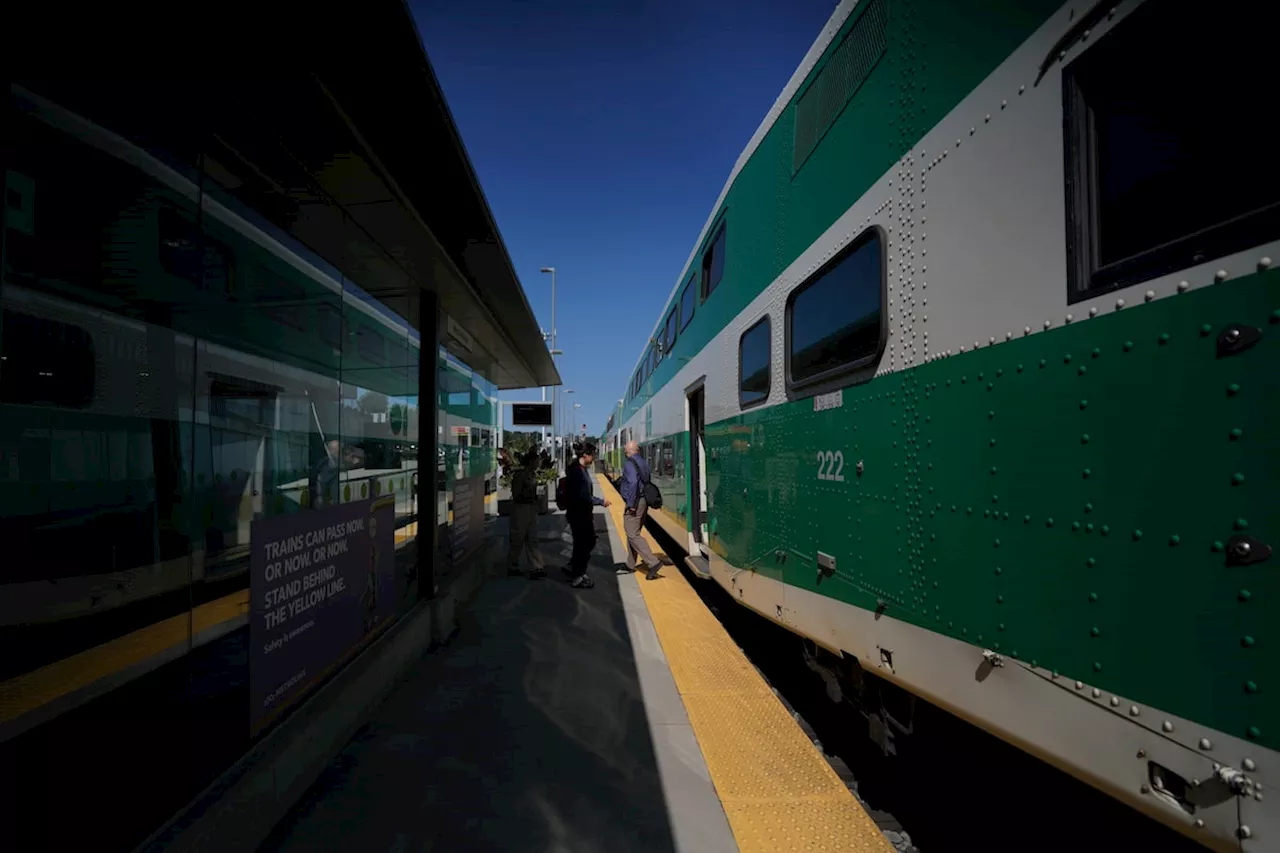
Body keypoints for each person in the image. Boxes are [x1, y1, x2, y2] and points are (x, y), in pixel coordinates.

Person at [562, 442, 609, 588]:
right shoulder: (578, 472)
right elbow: (584, 496)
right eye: (593, 454)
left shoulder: (579, 469)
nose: (594, 458)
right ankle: (578, 575)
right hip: (580, 513)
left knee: (582, 543)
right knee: (585, 543)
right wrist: (600, 501)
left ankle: (575, 568)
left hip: (579, 513)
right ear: (585, 455)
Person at [619, 440, 662, 580]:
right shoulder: (643, 462)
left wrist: (631, 504)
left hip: (636, 502)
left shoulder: (629, 463)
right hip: (643, 501)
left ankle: (653, 562)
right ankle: (630, 564)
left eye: (625, 450)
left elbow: (633, 483)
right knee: (633, 532)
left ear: (630, 451)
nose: (625, 453)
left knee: (632, 534)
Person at [506, 448, 546, 580]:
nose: (538, 463)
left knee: (533, 538)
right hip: (521, 509)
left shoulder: (533, 475)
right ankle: (512, 565)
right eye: (537, 460)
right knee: (518, 538)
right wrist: (531, 496)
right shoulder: (520, 475)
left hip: (531, 509)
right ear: (531, 461)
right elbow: (516, 494)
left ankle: (536, 567)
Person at [309, 439, 342, 509]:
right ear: (329, 450)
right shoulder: (323, 463)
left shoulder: (341, 462)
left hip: (334, 500)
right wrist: (319, 496)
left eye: (337, 449)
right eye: (334, 449)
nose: (337, 451)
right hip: (322, 496)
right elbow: (319, 478)